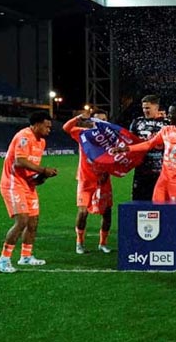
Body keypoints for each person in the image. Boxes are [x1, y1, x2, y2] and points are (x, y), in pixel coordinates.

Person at [0, 112, 58, 273]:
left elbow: (30, 170)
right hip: (13, 183)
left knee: (33, 221)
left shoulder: (41, 142)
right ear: (36, 125)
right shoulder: (24, 136)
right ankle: (3, 259)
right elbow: (19, 161)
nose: (49, 130)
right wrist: (43, 170)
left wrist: (41, 177)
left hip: (28, 185)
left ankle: (26, 256)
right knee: (22, 220)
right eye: (46, 126)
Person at [114, 104, 176, 203]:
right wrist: (127, 148)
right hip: (164, 179)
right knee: (157, 207)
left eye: (172, 113)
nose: (169, 116)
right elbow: (149, 144)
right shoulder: (166, 130)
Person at [63, 108, 115, 254]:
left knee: (107, 212)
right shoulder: (83, 133)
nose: (101, 123)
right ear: (92, 121)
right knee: (82, 212)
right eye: (98, 120)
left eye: (104, 120)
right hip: (86, 180)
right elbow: (66, 128)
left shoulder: (111, 138)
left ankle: (103, 244)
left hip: (104, 180)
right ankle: (79, 243)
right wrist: (78, 118)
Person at [128, 95, 168, 201]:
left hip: (161, 172)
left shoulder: (167, 124)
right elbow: (130, 141)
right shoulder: (137, 122)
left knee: (160, 202)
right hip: (141, 170)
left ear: (156, 107)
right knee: (139, 201)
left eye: (148, 108)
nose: (145, 111)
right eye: (144, 108)